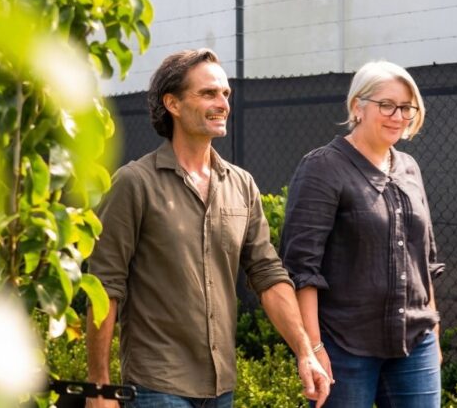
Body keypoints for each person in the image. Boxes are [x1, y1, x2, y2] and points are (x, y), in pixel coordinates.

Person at [85, 48, 331, 408]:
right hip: (157, 384)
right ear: (173, 103)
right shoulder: (134, 183)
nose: (223, 103)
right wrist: (99, 387)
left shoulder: (242, 185)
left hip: (221, 386)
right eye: (208, 93)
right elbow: (104, 287)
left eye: (225, 94)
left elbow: (268, 274)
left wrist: (305, 351)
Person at [280, 60, 445, 407]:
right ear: (358, 106)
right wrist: (313, 348)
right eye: (386, 105)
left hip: (415, 345)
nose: (397, 115)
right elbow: (302, 270)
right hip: (345, 348)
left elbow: (424, 262)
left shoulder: (410, 168)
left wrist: (435, 335)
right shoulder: (323, 167)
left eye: (406, 107)